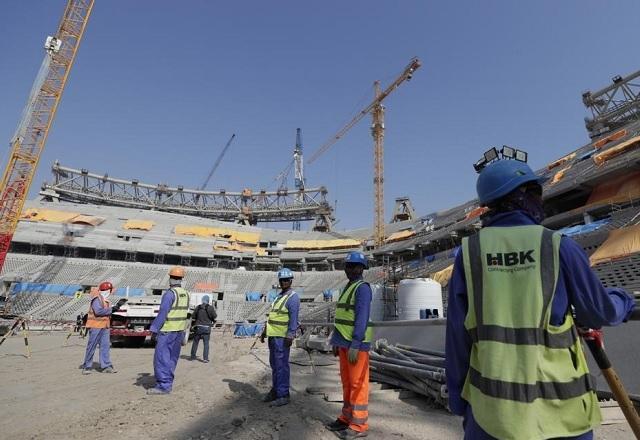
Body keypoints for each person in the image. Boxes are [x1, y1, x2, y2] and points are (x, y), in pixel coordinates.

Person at [445, 156, 636, 440]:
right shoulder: (557, 245)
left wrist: (460, 401)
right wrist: (624, 299)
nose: (540, 200)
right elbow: (599, 313)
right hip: (561, 410)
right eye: (536, 192)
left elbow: (457, 339)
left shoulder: (469, 255)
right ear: (522, 196)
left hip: (492, 414)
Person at [326, 251, 373, 439]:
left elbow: (361, 318)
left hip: (356, 346)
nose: (351, 269)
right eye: (349, 266)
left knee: (357, 384)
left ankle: (358, 425)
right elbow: (342, 317)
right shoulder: (348, 287)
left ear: (362, 268)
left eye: (355, 266)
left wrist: (355, 342)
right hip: (344, 343)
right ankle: (346, 418)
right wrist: (336, 342)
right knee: (347, 383)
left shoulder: (362, 288)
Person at [260, 267, 300, 407]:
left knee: (282, 366)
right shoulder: (278, 296)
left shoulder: (293, 297)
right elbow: (272, 316)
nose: (284, 282)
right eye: (282, 280)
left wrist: (290, 335)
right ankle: (276, 390)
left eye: (286, 280)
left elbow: (293, 318)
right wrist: (265, 331)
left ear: (291, 280)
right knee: (275, 365)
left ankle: (283, 394)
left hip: (282, 338)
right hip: (273, 335)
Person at [148, 266, 190, 395]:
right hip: (179, 332)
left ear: (170, 279)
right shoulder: (185, 294)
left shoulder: (170, 294)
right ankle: (168, 382)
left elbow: (163, 313)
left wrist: (154, 329)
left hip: (167, 331)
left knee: (161, 358)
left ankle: (163, 386)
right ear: (181, 279)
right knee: (172, 359)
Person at [81, 281, 126, 374]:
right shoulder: (96, 299)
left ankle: (106, 366)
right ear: (107, 290)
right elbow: (98, 311)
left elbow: (106, 312)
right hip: (95, 327)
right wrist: (113, 308)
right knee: (91, 346)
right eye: (110, 290)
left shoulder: (106, 301)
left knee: (105, 347)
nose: (111, 292)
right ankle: (87, 366)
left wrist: (116, 308)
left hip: (105, 327)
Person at [190, 295, 217, 362]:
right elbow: (215, 316)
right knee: (206, 344)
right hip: (206, 328)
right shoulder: (210, 308)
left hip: (198, 328)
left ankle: (193, 357)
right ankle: (205, 358)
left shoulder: (198, 307)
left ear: (202, 300)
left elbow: (193, 316)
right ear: (208, 300)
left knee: (195, 342)